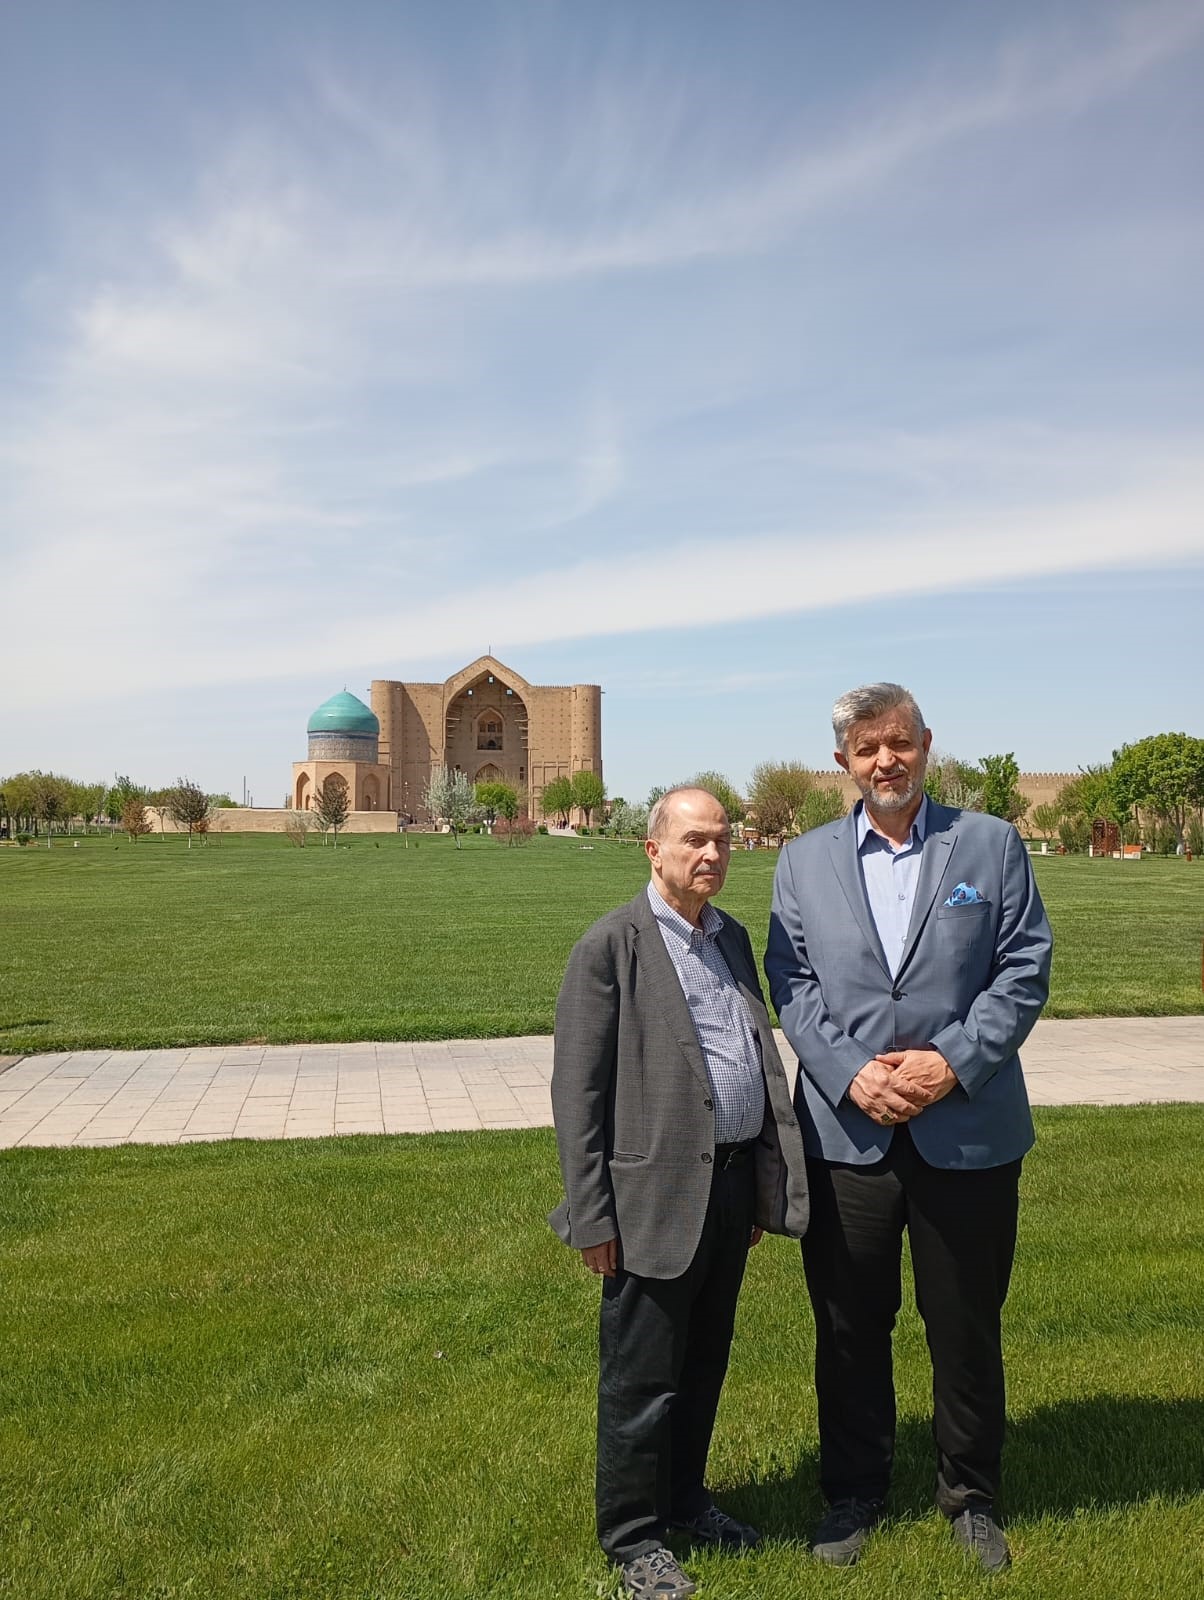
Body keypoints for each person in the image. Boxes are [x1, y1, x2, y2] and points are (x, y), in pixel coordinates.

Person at [765, 684, 1052, 1573]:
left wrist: (951, 1062)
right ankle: (854, 1492)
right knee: (850, 1324)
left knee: (964, 1322)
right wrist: (851, 1074)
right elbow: (793, 980)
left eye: (899, 742)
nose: (884, 760)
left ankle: (970, 1495)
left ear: (926, 744)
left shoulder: (992, 845)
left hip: (965, 1129)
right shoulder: (802, 861)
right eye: (865, 748)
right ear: (843, 761)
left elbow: (1024, 967)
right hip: (848, 1135)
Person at [550, 786, 809, 1600]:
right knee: (641, 1379)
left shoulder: (729, 937)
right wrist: (593, 1215)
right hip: (646, 1203)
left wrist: (761, 1185)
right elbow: (578, 1095)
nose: (712, 856)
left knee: (703, 1364)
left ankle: (687, 1500)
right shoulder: (611, 947)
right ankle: (632, 1536)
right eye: (695, 840)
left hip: (726, 1192)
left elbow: (751, 1057)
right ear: (652, 850)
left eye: (723, 842)